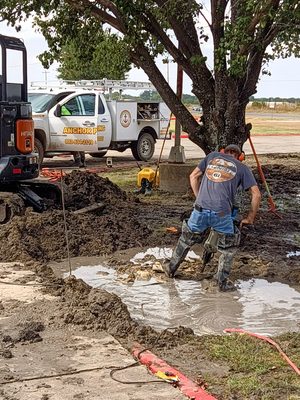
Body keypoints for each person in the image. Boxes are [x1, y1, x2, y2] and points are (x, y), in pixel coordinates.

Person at [163, 144, 261, 291]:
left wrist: (198, 199)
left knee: (186, 239)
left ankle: (170, 269)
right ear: (240, 156)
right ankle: (220, 283)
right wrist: (250, 217)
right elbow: (256, 194)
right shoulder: (242, 167)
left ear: (223, 152)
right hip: (221, 214)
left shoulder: (211, 157)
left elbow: (193, 176)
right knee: (228, 248)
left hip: (199, 210)